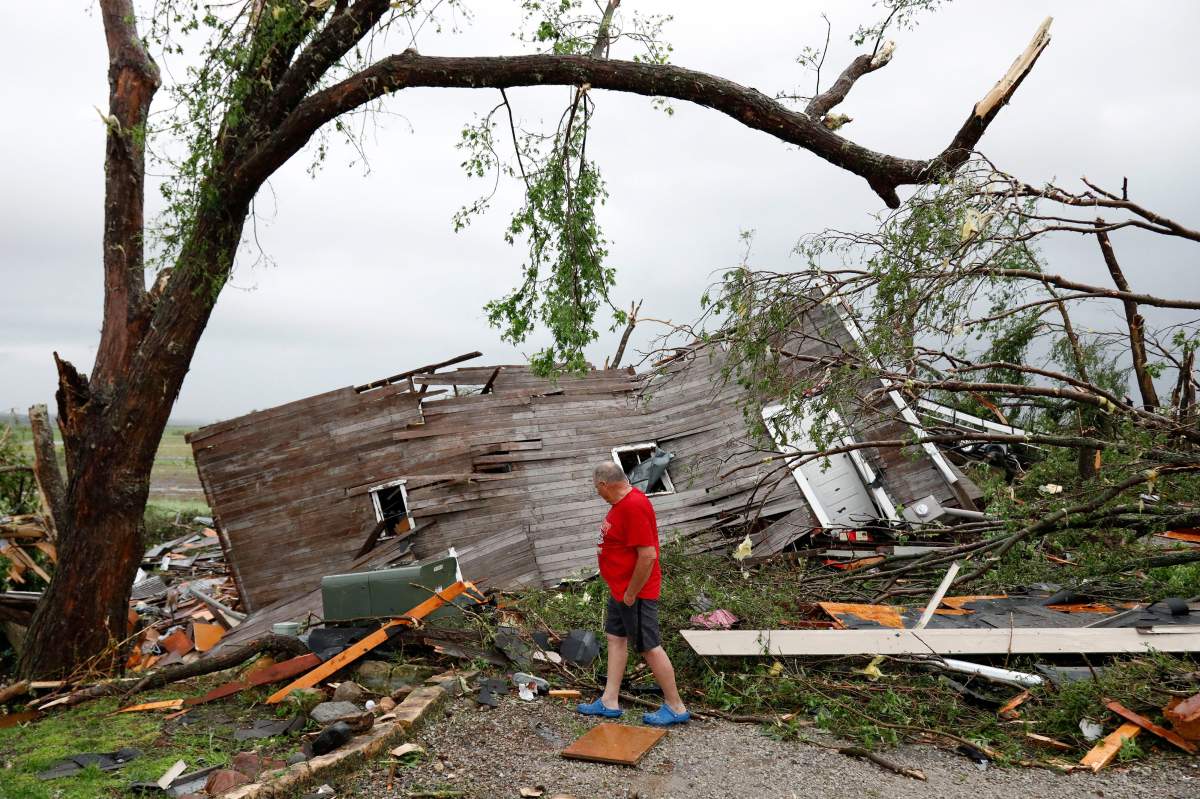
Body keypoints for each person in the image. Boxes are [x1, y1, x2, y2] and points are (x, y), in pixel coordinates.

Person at [577, 461, 690, 726]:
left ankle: (675, 706)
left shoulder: (634, 506)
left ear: (605, 484)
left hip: (635, 592)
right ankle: (609, 701)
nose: (598, 494)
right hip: (619, 589)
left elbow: (648, 555)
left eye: (597, 488)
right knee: (615, 638)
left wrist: (631, 593)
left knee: (649, 646)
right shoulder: (621, 505)